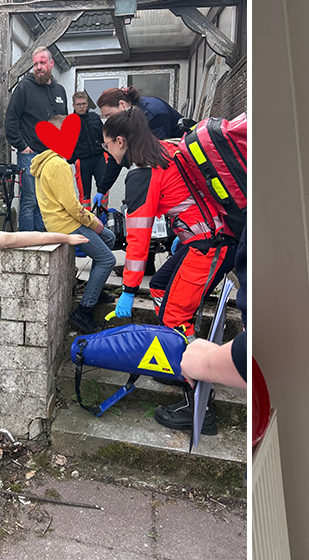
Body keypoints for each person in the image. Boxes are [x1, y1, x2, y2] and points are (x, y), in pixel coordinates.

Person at [102, 106, 236, 434]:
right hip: (208, 239)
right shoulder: (168, 148)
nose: (108, 154)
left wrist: (129, 290)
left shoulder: (141, 172)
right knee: (161, 286)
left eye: (108, 147)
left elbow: (137, 239)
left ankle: (199, 408)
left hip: (208, 246)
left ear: (121, 141)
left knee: (175, 317)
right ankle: (175, 361)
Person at [31, 115, 116, 334]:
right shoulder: (59, 165)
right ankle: (84, 311)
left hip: (59, 221)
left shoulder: (47, 161)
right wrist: (94, 222)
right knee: (108, 259)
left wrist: (93, 221)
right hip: (66, 225)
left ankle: (94, 291)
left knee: (110, 238)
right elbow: (72, 206)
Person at [4, 46, 68, 232]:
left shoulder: (60, 91)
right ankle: (27, 247)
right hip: (30, 155)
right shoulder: (24, 87)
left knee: (47, 201)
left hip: (53, 155)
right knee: (30, 201)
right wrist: (21, 146)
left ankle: (43, 244)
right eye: (35, 64)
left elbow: (62, 122)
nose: (38, 67)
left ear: (51, 64)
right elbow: (11, 119)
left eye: (42, 62)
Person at [180, 227, 247, 390]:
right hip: (212, 241)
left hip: (207, 246)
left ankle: (191, 392)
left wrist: (204, 363)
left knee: (175, 312)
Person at [92, 87, 186, 202]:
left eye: (109, 115)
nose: (109, 120)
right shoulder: (126, 118)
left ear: (122, 104)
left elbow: (157, 159)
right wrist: (103, 189)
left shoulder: (153, 114)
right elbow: (116, 156)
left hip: (182, 161)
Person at [69, 91, 108, 208]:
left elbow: (104, 137)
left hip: (99, 159)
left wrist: (107, 153)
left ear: (87, 104)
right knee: (84, 194)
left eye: (84, 104)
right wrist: (73, 160)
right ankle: (87, 220)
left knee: (104, 189)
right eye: (78, 104)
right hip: (82, 161)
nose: (81, 106)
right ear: (73, 105)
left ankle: (104, 218)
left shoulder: (95, 118)